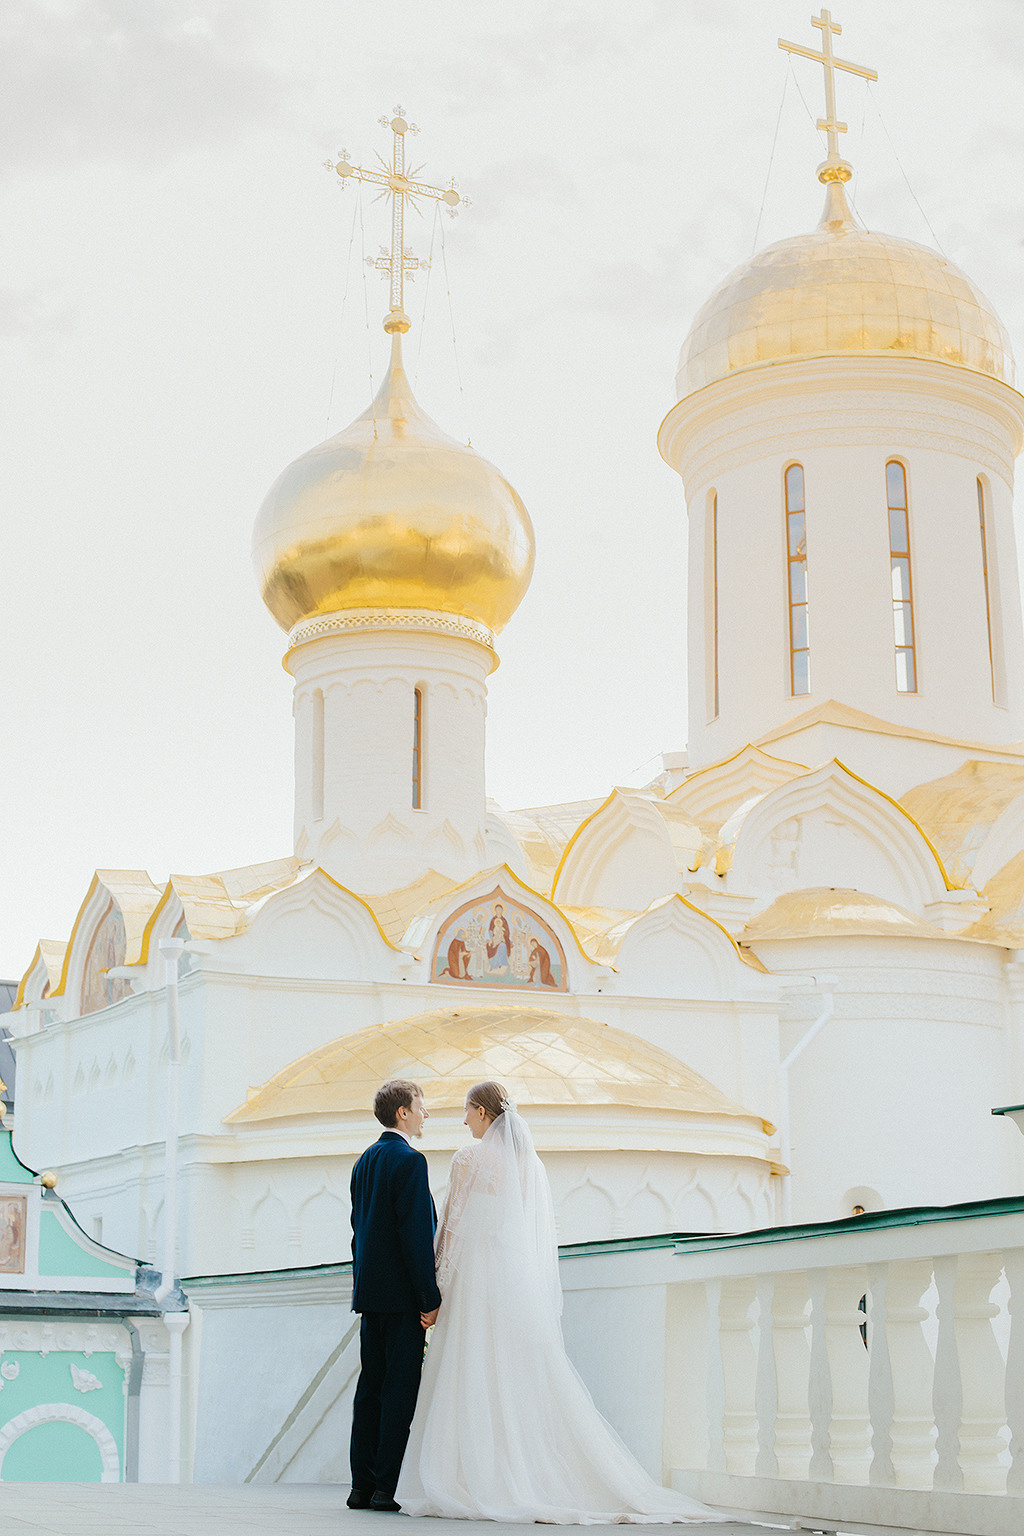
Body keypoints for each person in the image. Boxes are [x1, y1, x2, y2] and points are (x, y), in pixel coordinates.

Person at [395, 1081, 732, 1524]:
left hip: (475, 1276)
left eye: (465, 1111)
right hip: (513, 1280)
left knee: (470, 1366)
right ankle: (524, 1470)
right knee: (512, 1373)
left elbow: (452, 1227)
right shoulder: (527, 1163)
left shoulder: (468, 1159)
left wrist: (435, 1286)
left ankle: (470, 1473)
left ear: (481, 1112)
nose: (462, 1120)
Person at [348, 1079, 442, 1513]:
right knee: (398, 1392)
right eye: (421, 1107)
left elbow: (358, 1232)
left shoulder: (364, 1161)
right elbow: (415, 1236)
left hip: (370, 1295)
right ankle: (385, 1488)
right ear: (403, 1112)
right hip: (404, 1298)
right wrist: (428, 1295)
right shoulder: (410, 1161)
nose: (426, 1114)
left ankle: (360, 1488)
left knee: (369, 1390)